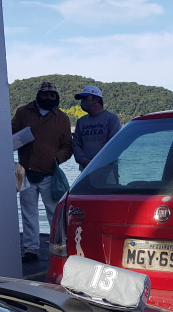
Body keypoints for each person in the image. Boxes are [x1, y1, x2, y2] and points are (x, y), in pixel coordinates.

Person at [12, 81, 72, 262]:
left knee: (55, 213)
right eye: (45, 94)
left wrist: (56, 159)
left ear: (57, 97)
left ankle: (59, 248)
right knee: (27, 213)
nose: (48, 97)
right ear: (38, 94)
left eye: (52, 95)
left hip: (50, 174)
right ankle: (31, 249)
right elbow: (10, 134)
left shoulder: (62, 118)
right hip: (23, 171)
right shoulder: (23, 112)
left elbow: (68, 146)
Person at [72, 85, 121, 171]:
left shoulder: (111, 119)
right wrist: (84, 161)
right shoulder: (81, 121)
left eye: (85, 98)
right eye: (82, 99)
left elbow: (115, 146)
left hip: (107, 170)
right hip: (85, 172)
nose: (82, 102)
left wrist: (98, 163)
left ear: (96, 99)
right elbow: (76, 145)